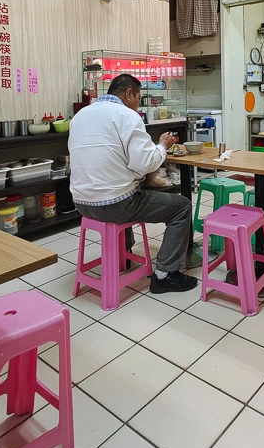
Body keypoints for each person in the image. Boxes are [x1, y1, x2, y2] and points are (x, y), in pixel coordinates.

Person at [68, 73, 198, 294]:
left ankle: (123, 256)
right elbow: (146, 164)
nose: (138, 104)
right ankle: (166, 274)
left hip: (80, 202)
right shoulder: (127, 116)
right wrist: (162, 146)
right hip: (115, 205)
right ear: (129, 93)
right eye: (138, 98)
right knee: (181, 206)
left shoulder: (81, 115)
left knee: (125, 187)